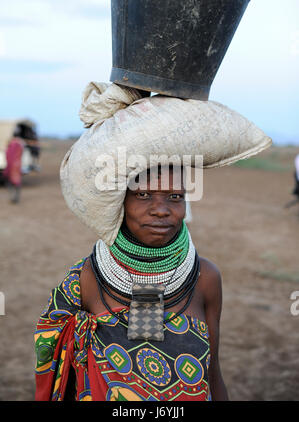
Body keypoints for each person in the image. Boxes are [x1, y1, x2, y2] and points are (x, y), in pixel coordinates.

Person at [34, 164, 228, 401]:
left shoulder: (205, 277)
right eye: (142, 195)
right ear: (119, 202)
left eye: (175, 196)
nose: (160, 210)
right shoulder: (86, 278)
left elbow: (213, 372)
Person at [3, 128, 24, 204]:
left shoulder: (12, 143)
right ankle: (16, 197)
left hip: (12, 165)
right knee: (17, 181)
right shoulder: (21, 143)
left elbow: (8, 154)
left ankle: (13, 197)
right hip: (18, 164)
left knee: (10, 181)